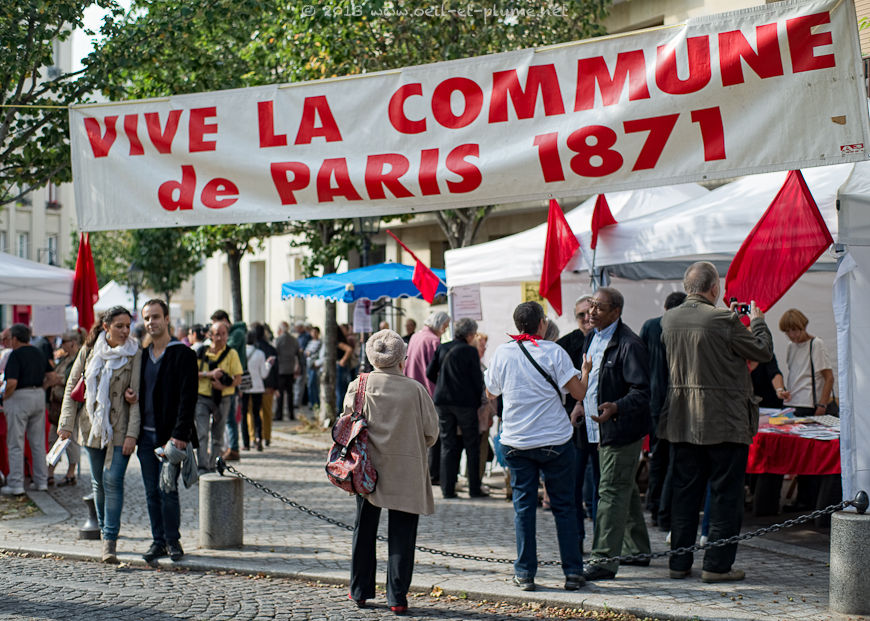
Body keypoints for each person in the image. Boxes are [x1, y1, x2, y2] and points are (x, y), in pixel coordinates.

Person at [659, 261, 772, 583]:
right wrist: (760, 321)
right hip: (725, 420)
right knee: (725, 495)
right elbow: (761, 351)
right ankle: (717, 566)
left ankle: (678, 563)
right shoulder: (724, 318)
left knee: (684, 494)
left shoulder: (668, 319)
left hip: (682, 419)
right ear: (715, 289)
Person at [485, 301, 591, 592]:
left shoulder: (502, 353)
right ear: (542, 324)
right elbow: (579, 392)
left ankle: (525, 573)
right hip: (555, 441)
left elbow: (490, 391)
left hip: (517, 441)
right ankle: (572, 573)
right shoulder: (554, 352)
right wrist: (585, 371)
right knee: (565, 507)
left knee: (524, 508)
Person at [344, 330, 438, 615]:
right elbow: (431, 433)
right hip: (406, 468)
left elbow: (346, 425)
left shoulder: (358, 384)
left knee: (364, 528)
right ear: (401, 359)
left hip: (367, 468)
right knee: (402, 533)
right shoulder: (416, 390)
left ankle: (359, 590)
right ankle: (397, 596)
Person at [58, 306, 142, 563]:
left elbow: (136, 396)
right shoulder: (89, 351)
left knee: (113, 479)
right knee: (98, 483)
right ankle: (106, 531)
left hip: (120, 427)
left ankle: (110, 541)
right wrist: (66, 425)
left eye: (128, 325)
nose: (125, 331)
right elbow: (72, 387)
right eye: (119, 326)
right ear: (106, 327)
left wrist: (132, 434)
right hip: (92, 426)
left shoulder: (134, 353)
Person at [580, 287, 652, 582]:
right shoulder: (590, 338)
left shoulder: (629, 344)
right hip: (595, 425)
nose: (592, 311)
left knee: (610, 490)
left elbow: (643, 392)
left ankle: (603, 560)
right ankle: (636, 548)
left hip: (621, 428)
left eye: (599, 307)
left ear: (616, 312)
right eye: (591, 305)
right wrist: (577, 405)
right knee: (624, 486)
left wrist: (617, 407)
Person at [137, 299, 199, 565]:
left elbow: (189, 398)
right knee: (151, 491)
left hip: (170, 437)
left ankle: (173, 540)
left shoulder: (183, 354)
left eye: (156, 317)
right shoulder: (142, 356)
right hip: (145, 437)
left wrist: (180, 436)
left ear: (166, 319)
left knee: (168, 490)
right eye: (147, 318)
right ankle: (158, 540)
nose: (151, 322)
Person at [778, 308, 836, 512]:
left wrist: (821, 404)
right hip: (795, 404)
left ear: (803, 327)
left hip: (812, 405)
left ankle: (809, 499)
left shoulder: (816, 344)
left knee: (811, 455)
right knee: (800, 456)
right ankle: (803, 498)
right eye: (788, 332)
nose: (793, 335)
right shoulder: (790, 347)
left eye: (795, 330)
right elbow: (795, 374)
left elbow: (828, 377)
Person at [640, 291, 686, 529]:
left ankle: (654, 505)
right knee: (672, 459)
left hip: (653, 402)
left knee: (658, 457)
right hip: (675, 403)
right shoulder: (681, 328)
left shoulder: (650, 326)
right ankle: (663, 510)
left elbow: (640, 362)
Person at [426, 317, 486, 498]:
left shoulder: (443, 347)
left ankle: (447, 489)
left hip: (443, 402)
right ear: (469, 334)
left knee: (447, 444)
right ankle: (474, 488)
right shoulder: (470, 351)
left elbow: (430, 372)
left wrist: (442, 384)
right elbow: (477, 380)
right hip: (465, 403)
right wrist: (478, 401)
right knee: (471, 445)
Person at [556, 294, 597, 552]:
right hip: (572, 425)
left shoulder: (605, 340)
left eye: (589, 313)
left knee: (599, 486)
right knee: (574, 484)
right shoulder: (565, 345)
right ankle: (577, 538)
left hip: (602, 422)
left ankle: (602, 540)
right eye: (581, 314)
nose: (586, 319)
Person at [1, 323, 55, 496]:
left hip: (19, 397)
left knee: (15, 442)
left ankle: (16, 483)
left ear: (15, 338)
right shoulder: (38, 352)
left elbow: (11, 383)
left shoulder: (15, 355)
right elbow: (52, 376)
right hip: (38, 395)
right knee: (38, 443)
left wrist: (4, 397)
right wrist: (42, 388)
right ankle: (41, 481)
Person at [405, 310, 450, 483]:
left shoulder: (416, 336)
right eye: (445, 326)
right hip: (428, 391)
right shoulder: (433, 341)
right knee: (432, 434)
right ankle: (433, 473)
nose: (445, 330)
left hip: (412, 388)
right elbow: (434, 371)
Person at [194, 320, 242, 473]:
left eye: (223, 334)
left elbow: (238, 377)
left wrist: (223, 386)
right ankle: (202, 466)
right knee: (201, 433)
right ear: (210, 336)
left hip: (223, 398)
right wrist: (210, 374)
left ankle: (212, 465)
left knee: (218, 435)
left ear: (227, 335)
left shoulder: (231, 353)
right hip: (202, 397)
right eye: (217, 334)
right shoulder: (201, 352)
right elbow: (190, 373)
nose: (220, 338)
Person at [47, 330, 84, 487]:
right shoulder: (64, 358)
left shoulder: (79, 358)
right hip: (57, 405)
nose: (61, 345)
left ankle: (71, 473)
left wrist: (58, 380)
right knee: (53, 439)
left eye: (64, 341)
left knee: (71, 440)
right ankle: (50, 471)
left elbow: (74, 381)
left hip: (71, 406)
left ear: (73, 343)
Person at [211, 310, 246, 461]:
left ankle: (234, 448)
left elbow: (226, 348)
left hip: (232, 377)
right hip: (227, 377)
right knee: (228, 415)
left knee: (230, 416)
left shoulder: (237, 334)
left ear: (224, 320)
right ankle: (230, 447)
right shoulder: (236, 332)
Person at [241, 329, 270, 451]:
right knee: (256, 414)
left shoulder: (240, 353)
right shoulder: (260, 353)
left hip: (244, 386)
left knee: (244, 415)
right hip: (258, 386)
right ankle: (259, 439)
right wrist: (269, 365)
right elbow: (263, 374)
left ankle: (246, 442)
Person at [274, 321, 302, 421]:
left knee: (280, 394)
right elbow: (298, 354)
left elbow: (275, 353)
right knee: (290, 393)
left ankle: (279, 414)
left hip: (281, 369)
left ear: (281, 329)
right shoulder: (294, 340)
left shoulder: (278, 340)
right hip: (290, 369)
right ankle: (291, 414)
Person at [304, 326, 322, 411]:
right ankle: (312, 402)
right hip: (309, 365)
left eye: (315, 332)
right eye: (312, 332)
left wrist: (309, 353)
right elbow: (306, 352)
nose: (314, 334)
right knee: (310, 385)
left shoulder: (320, 342)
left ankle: (316, 403)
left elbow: (313, 352)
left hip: (314, 366)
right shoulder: (310, 342)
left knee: (313, 384)